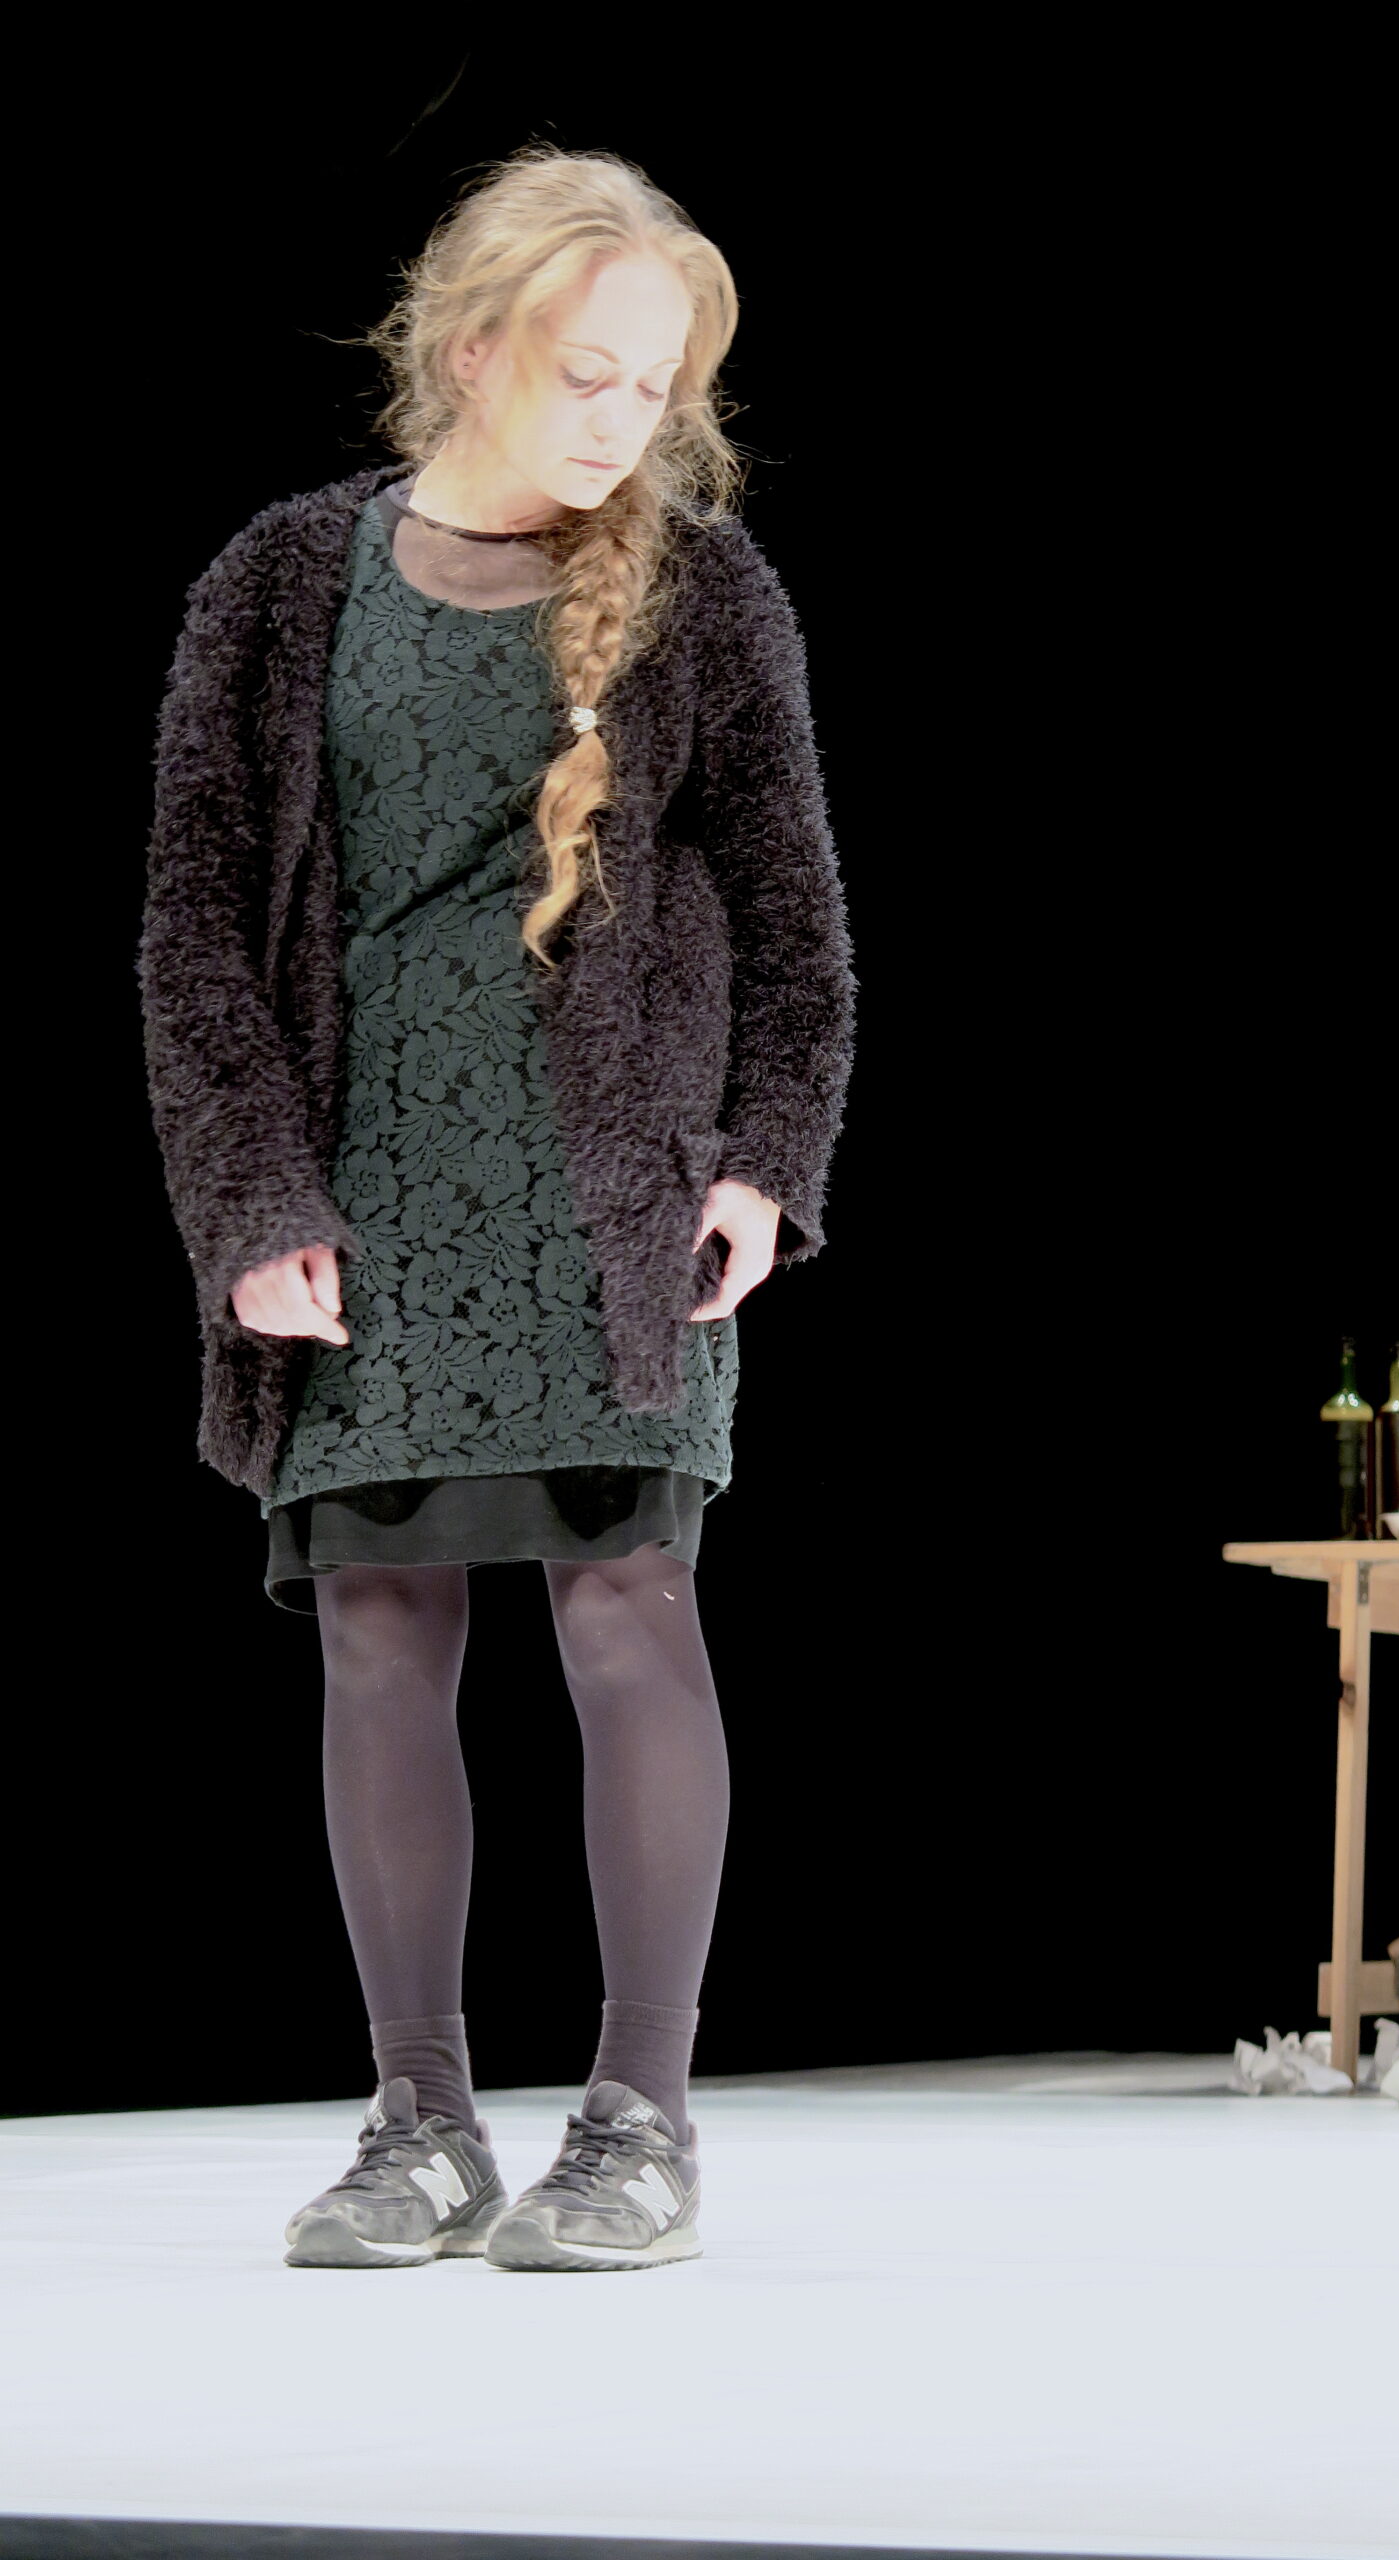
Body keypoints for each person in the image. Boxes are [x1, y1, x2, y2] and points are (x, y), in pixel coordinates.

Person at [136, 146, 856, 2272]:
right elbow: (192, 929)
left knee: (627, 1603)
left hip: (606, 1191)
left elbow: (798, 921)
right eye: (588, 372)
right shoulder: (279, 584)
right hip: (364, 1189)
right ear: (470, 349)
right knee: (377, 1630)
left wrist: (760, 1155)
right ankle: (419, 2118)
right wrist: (251, 1192)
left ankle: (637, 2115)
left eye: (655, 386)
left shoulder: (701, 588)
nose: (623, 419)